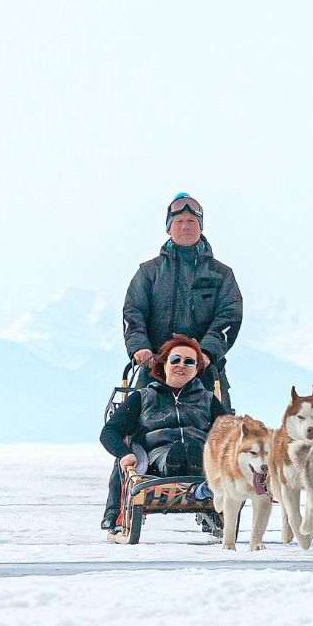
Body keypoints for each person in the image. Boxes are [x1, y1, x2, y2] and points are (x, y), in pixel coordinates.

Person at [101, 193, 243, 528]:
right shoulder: (148, 273)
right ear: (169, 228)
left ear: (201, 226)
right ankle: (117, 512)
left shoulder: (221, 275)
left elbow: (229, 317)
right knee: (131, 432)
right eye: (179, 222)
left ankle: (216, 511)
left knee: (218, 436)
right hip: (153, 366)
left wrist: (207, 353)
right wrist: (139, 348)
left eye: (192, 221)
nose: (185, 226)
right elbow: (132, 314)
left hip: (204, 369)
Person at [100, 335, 229, 526]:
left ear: (197, 369)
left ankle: (196, 467)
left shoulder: (208, 399)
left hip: (203, 457)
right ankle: (115, 514)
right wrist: (124, 454)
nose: (181, 365)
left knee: (200, 451)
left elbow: (231, 434)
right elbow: (110, 432)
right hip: (156, 458)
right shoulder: (142, 397)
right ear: (164, 365)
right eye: (175, 360)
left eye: (189, 362)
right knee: (173, 453)